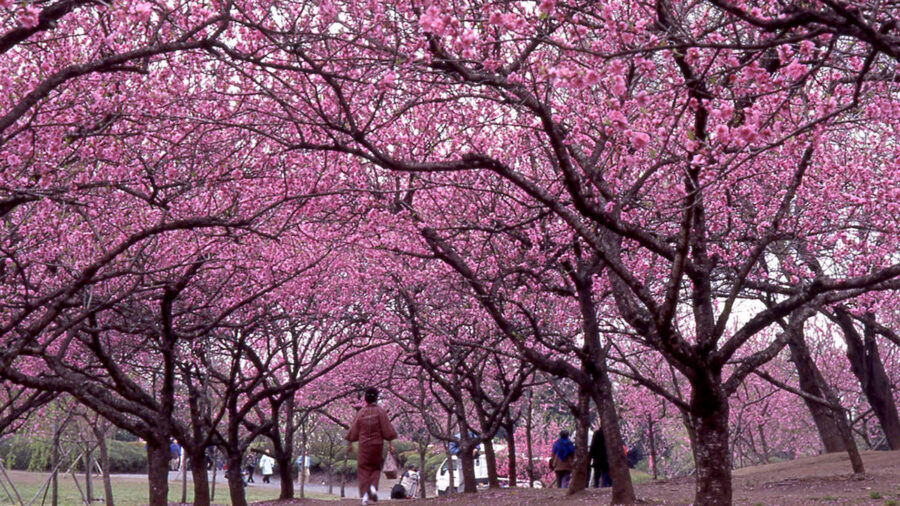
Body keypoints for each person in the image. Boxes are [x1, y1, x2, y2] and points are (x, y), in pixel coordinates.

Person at [346, 387, 398, 505]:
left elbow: (354, 429)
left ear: (365, 398)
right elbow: (387, 430)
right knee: (375, 468)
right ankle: (373, 488)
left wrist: (350, 444)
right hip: (377, 445)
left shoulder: (361, 412)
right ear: (376, 398)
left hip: (364, 445)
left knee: (363, 469)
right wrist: (390, 444)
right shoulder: (381, 412)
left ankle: (365, 496)